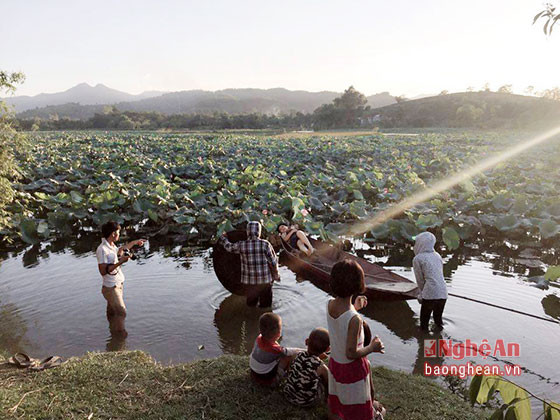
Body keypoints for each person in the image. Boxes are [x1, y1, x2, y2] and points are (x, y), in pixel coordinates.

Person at [327, 259, 386, 420]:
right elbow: (351, 353)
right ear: (358, 285)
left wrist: (355, 306)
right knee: (358, 401)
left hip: (335, 364)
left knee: (340, 396)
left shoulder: (329, 305)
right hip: (352, 370)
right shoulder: (355, 319)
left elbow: (342, 323)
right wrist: (372, 347)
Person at [96, 221, 145, 335]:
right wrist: (121, 262)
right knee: (121, 312)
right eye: (118, 232)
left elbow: (119, 251)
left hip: (118, 284)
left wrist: (134, 243)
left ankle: (113, 336)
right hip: (111, 287)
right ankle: (120, 338)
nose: (119, 234)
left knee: (113, 313)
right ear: (113, 233)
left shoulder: (111, 246)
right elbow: (103, 271)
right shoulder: (102, 249)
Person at [221, 221, 279, 307]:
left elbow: (228, 247)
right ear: (258, 231)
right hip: (265, 281)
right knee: (266, 305)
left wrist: (224, 238)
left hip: (249, 282)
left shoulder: (242, 245)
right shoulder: (265, 244)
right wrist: (276, 274)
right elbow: (273, 262)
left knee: (251, 304)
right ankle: (265, 317)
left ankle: (250, 317)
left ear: (248, 231)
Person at [249, 312, 302, 386]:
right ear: (278, 333)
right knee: (288, 357)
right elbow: (291, 351)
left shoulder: (259, 338)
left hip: (254, 373)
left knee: (281, 352)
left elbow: (276, 346)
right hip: (266, 380)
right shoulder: (275, 349)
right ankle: (285, 378)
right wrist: (306, 350)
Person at [282, 327, 330, 407]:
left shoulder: (296, 355)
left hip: (288, 394)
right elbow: (328, 383)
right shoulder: (321, 367)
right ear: (327, 349)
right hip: (306, 402)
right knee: (324, 378)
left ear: (306, 341)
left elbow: (291, 369)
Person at [412, 231, 448, 331]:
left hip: (430, 293)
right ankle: (439, 342)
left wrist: (421, 295)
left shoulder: (418, 258)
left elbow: (420, 281)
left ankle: (423, 344)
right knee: (438, 322)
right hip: (443, 292)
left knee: (424, 324)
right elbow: (439, 276)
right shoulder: (437, 256)